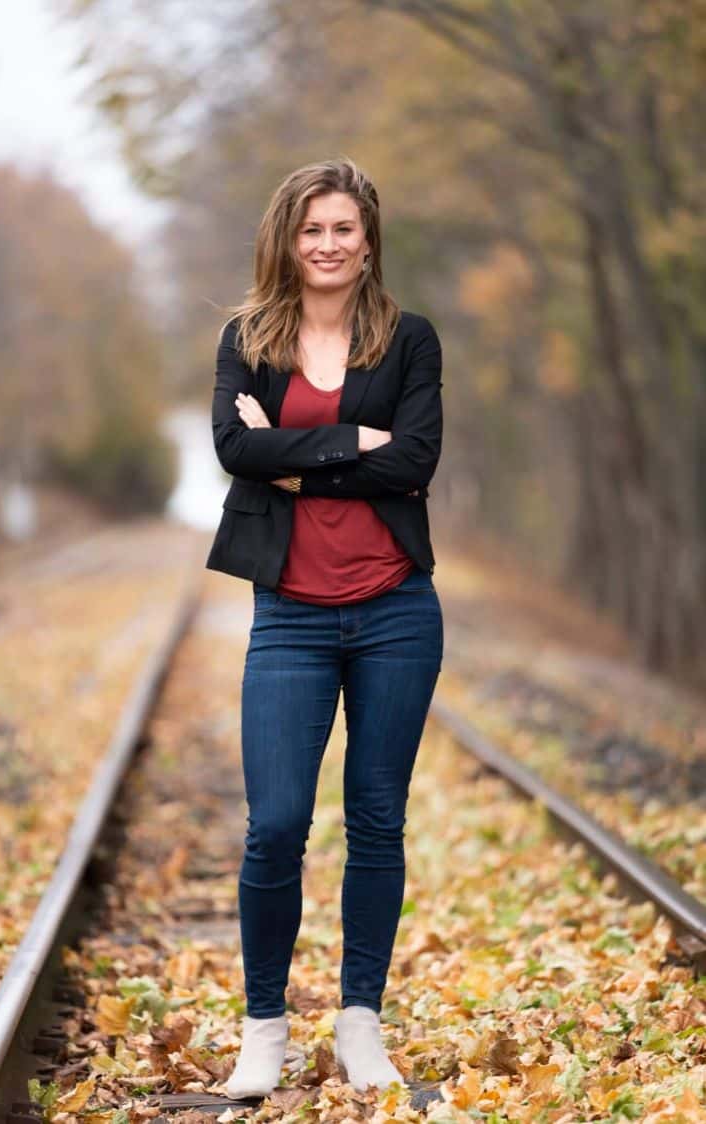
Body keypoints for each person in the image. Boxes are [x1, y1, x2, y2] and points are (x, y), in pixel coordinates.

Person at [205, 157, 444, 1099]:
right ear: (287, 240)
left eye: (344, 228)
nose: (329, 244)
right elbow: (233, 449)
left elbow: (418, 461)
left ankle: (360, 1025)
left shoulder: (409, 340)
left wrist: (294, 459)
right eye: (312, 230)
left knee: (378, 822)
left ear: (368, 238)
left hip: (396, 611)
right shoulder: (247, 340)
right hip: (290, 618)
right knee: (276, 826)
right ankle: (263, 1028)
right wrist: (355, 446)